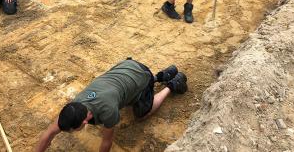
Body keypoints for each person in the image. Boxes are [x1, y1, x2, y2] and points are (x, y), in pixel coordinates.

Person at [35, 58, 188, 152]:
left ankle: (172, 84)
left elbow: (107, 142)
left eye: (72, 131)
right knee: (126, 89)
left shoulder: (107, 111)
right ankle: (162, 75)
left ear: (84, 122)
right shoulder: (75, 105)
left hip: (141, 76)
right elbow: (49, 133)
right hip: (127, 67)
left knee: (141, 113)